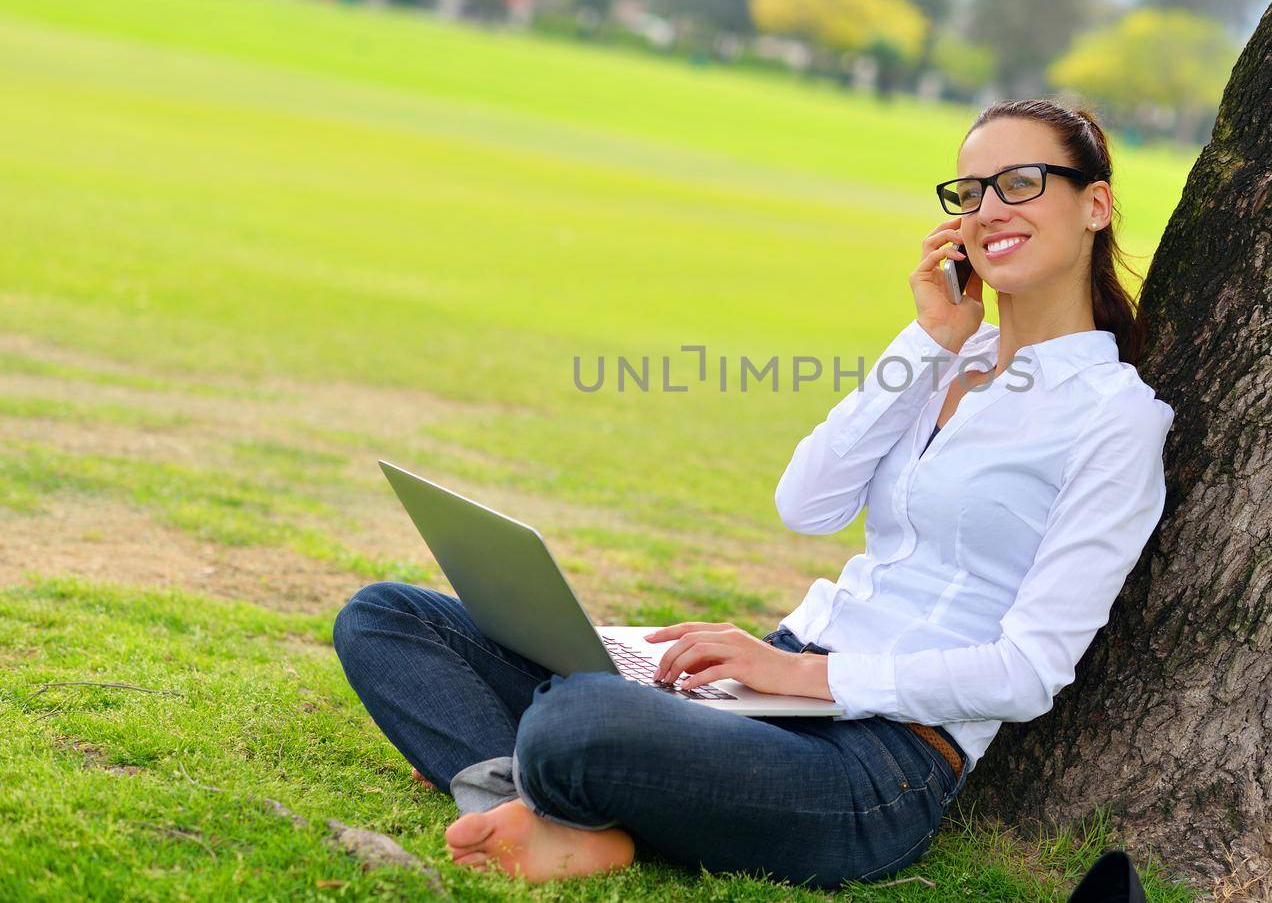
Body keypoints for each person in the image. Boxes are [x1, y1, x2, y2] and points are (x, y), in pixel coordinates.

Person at [330, 99, 1175, 889]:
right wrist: (927, 338)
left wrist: (798, 675)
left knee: (576, 719)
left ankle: (528, 774)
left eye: (1021, 183)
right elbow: (805, 504)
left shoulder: (1115, 418)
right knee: (385, 617)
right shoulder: (944, 356)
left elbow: (1027, 674)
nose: (989, 209)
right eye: (971, 191)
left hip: (878, 761)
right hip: (766, 688)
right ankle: (542, 798)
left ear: (1094, 205)